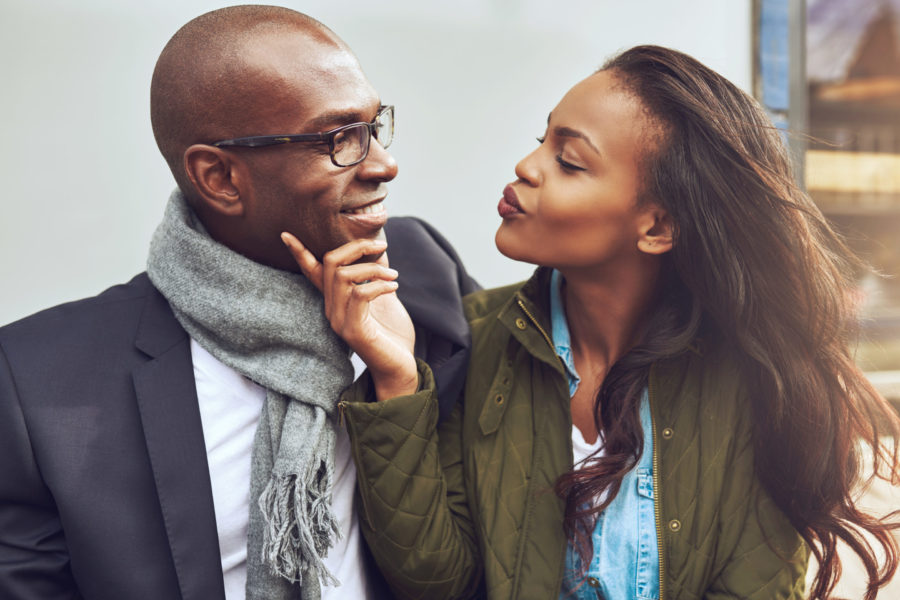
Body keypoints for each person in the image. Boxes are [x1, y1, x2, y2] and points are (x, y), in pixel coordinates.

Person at [284, 45, 900, 599]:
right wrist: (396, 379)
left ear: (657, 227)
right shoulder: (471, 341)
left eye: (570, 161)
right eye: (542, 139)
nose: (527, 165)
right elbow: (437, 581)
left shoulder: (754, 380)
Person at [0, 5, 477, 600]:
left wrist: (397, 383)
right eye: (339, 139)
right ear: (219, 178)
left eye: (375, 124)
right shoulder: (39, 383)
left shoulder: (423, 274)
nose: (384, 163)